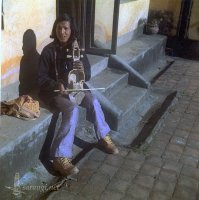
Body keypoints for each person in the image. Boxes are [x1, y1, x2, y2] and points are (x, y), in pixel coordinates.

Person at [38, 13, 119, 177]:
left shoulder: (76, 49)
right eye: (59, 28)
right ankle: (59, 157)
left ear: (71, 29)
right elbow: (40, 79)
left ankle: (103, 136)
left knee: (93, 100)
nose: (62, 32)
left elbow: (87, 74)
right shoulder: (48, 51)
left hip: (74, 89)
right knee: (72, 108)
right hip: (53, 93)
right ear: (55, 29)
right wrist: (56, 84)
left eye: (65, 28)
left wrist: (83, 70)